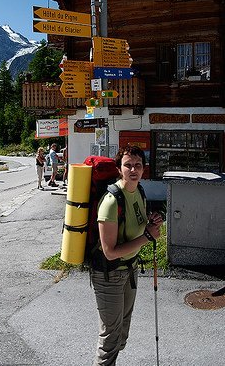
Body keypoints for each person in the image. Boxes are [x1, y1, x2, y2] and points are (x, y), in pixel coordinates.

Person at [91, 145, 163, 365]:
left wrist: (151, 222)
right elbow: (110, 252)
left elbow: (138, 225)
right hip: (109, 275)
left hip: (130, 270)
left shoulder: (139, 191)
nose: (133, 169)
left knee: (122, 333)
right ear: (119, 168)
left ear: (144, 169)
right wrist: (147, 238)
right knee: (110, 338)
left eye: (138, 165)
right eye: (128, 165)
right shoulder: (112, 201)